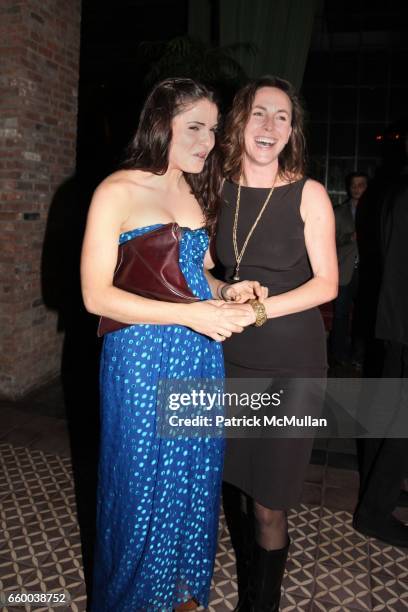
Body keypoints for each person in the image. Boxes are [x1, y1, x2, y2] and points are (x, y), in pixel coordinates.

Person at [80, 77, 265, 612]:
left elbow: (195, 272)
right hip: (141, 354)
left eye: (212, 128)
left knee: (192, 475)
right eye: (195, 127)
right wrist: (194, 314)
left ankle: (178, 594)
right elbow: (95, 296)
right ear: (161, 125)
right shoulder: (117, 190)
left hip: (199, 351)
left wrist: (226, 290)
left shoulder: (194, 187)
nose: (208, 141)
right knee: (140, 486)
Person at [215, 75, 338, 610]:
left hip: (292, 362)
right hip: (228, 357)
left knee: (269, 502)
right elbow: (202, 267)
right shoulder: (216, 189)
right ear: (240, 121)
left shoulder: (307, 193)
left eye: (282, 116)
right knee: (236, 486)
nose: (270, 125)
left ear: (292, 130)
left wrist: (261, 308)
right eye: (260, 113)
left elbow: (328, 283)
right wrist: (225, 289)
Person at [353, 127, 408, 548]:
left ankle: (378, 489)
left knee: (387, 414)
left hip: (391, 322)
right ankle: (375, 509)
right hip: (399, 323)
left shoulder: (392, 188)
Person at [329, 172, 368, 367]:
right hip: (344, 272)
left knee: (363, 317)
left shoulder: (375, 210)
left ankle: (359, 356)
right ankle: (339, 354)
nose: (357, 188)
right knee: (341, 316)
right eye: (354, 185)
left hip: (367, 273)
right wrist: (349, 238)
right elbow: (329, 240)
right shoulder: (338, 212)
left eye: (361, 185)